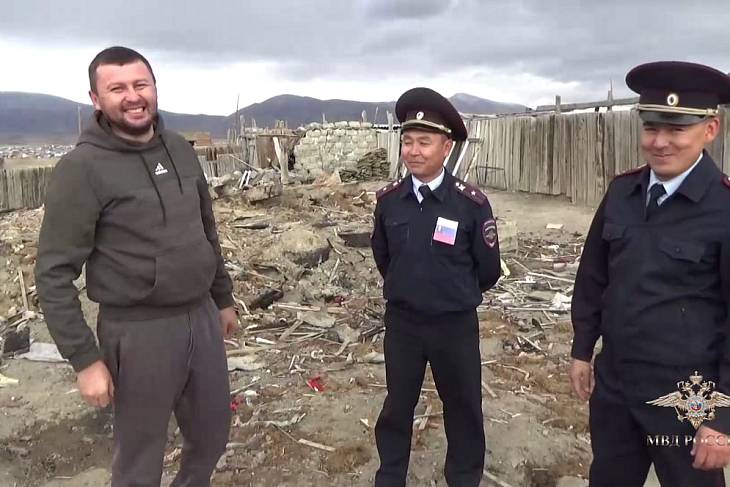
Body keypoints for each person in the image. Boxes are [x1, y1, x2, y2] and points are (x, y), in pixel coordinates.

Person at [35, 46, 236, 487]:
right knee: (140, 459)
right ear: (95, 99)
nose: (132, 96)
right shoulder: (81, 169)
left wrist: (222, 298)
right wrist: (85, 360)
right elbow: (53, 273)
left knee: (212, 435)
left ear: (154, 88)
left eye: (140, 84)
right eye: (117, 88)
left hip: (201, 317)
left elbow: (206, 229)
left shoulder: (180, 149)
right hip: (138, 332)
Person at [569, 61, 730, 487]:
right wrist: (582, 349)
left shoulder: (724, 209)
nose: (659, 142)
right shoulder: (623, 192)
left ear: (710, 130)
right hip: (616, 386)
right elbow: (593, 277)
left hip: (689, 398)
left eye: (676, 129)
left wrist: (723, 417)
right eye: (651, 128)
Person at [370, 87, 501, 487]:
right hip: (404, 325)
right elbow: (384, 257)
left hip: (454, 326)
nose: (413, 151)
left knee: (463, 408)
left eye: (424, 142)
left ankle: (463, 478)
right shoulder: (389, 201)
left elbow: (488, 270)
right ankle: (390, 477)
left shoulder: (470, 205)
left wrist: (449, 294)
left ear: (446, 147)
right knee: (397, 408)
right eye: (407, 141)